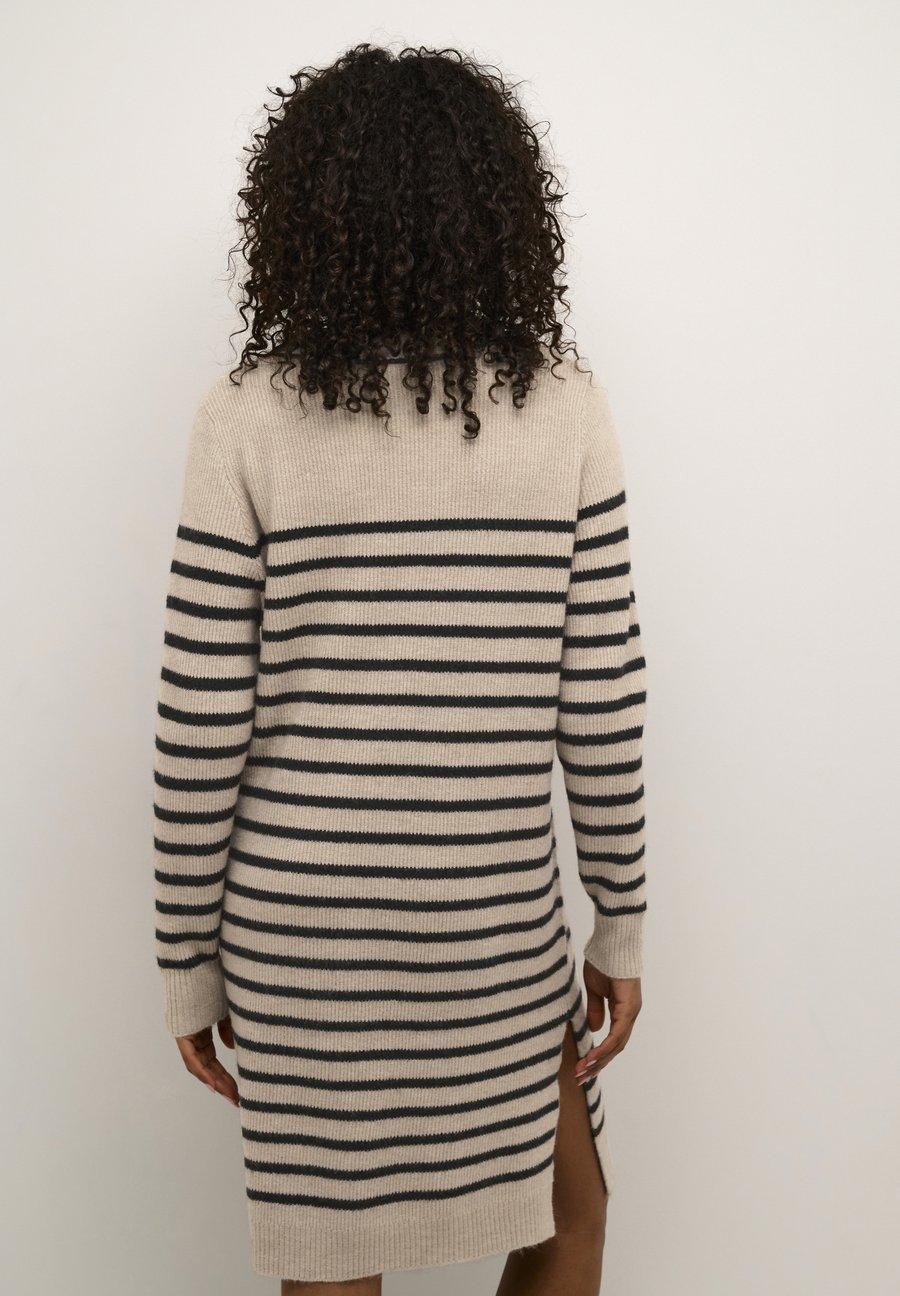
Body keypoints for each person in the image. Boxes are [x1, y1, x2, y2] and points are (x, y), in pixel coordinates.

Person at [152, 41, 647, 1295]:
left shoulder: (245, 417)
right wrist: (622, 921)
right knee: (569, 1218)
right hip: (490, 922)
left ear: (303, 217)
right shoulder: (567, 410)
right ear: (500, 214)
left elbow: (200, 725)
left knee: (335, 1260)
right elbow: (602, 705)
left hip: (301, 933)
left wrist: (187, 963)